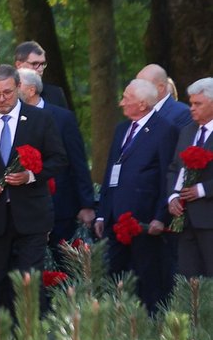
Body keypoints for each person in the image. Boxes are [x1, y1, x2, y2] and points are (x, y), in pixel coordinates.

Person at [0, 65, 67, 330]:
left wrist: (30, 176)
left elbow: (59, 159)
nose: (1, 98)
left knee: (28, 280)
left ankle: (28, 335)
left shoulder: (40, 119)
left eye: (7, 92)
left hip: (31, 215)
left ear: (18, 88)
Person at [82, 78, 174, 313]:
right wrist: (102, 214)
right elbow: (111, 172)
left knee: (147, 278)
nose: (121, 103)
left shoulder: (165, 130)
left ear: (142, 104)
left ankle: (151, 323)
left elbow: (168, 177)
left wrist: (161, 216)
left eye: (126, 98)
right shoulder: (122, 129)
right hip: (114, 218)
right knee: (113, 275)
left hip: (143, 220)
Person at [15, 68, 93, 249]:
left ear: (31, 90)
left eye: (17, 85)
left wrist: (87, 204)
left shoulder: (63, 118)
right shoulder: (13, 118)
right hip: (24, 206)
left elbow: (78, 161)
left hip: (60, 205)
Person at [165, 78, 213, 278]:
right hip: (185, 219)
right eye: (191, 103)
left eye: (197, 104)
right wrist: (173, 197)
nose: (191, 108)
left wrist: (201, 190)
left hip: (209, 217)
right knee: (188, 278)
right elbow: (174, 168)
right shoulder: (187, 131)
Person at [14, 41, 69, 109]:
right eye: (35, 64)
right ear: (19, 65)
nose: (40, 69)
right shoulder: (6, 95)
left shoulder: (55, 94)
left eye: (42, 64)